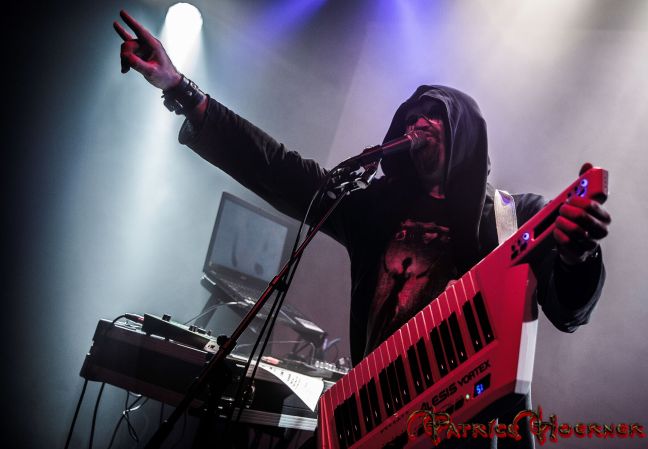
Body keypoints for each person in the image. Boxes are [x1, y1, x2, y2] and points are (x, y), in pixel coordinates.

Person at [114, 10, 611, 449]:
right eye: (412, 115)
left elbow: (568, 312)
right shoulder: (373, 209)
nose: (419, 122)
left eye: (435, 115)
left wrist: (578, 257)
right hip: (381, 416)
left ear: (465, 135)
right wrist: (181, 90)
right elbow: (277, 168)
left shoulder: (513, 216)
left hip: (469, 427)